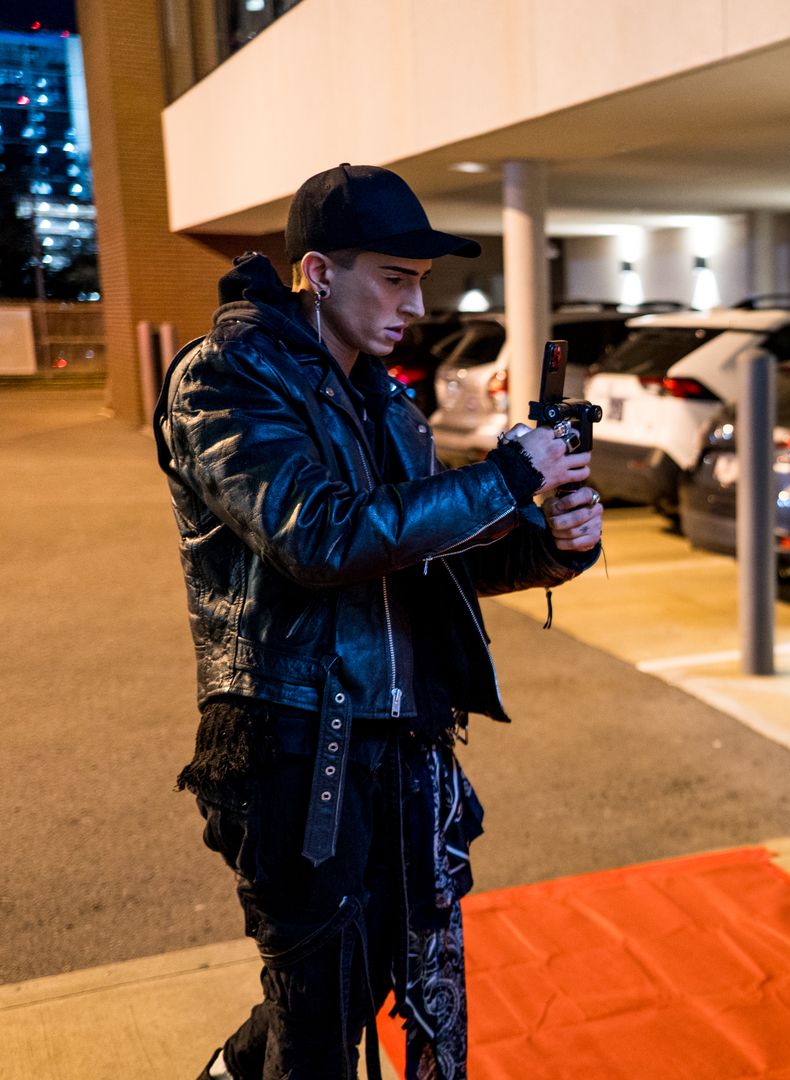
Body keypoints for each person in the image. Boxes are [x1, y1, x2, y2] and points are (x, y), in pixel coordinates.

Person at [155, 164, 603, 1080]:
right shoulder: (227, 376)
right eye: (395, 278)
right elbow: (317, 537)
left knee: (364, 982)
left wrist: (554, 542)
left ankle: (233, 1073)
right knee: (319, 1015)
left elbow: (431, 560)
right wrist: (509, 475)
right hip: (294, 740)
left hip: (401, 737)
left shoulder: (385, 400)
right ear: (318, 272)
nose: (415, 302)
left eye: (421, 281)